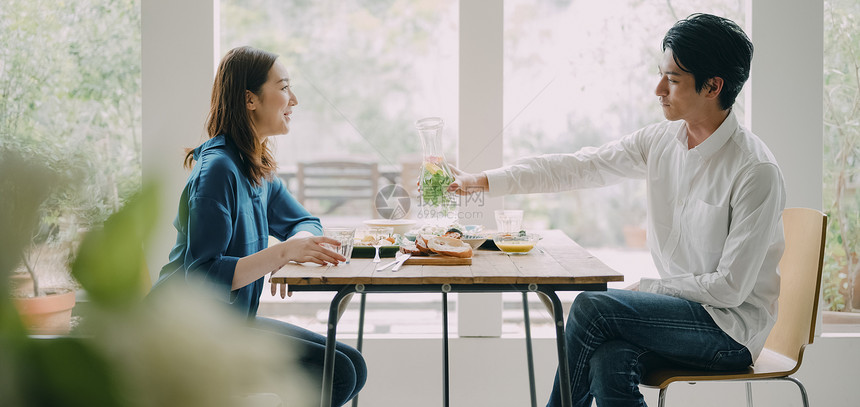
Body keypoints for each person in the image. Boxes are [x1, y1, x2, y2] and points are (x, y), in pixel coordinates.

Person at [448, 14, 785, 407]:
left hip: (730, 332)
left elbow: (730, 289)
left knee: (593, 306)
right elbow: (579, 166)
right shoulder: (660, 141)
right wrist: (483, 180)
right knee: (610, 362)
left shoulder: (755, 171)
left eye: (673, 80)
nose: (658, 89)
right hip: (675, 318)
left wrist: (650, 288)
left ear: (713, 86)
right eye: (661, 75)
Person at [152, 46, 366, 406]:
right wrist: (282, 252)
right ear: (250, 99)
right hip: (186, 335)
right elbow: (203, 275)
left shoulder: (254, 166)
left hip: (229, 325)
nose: (293, 99)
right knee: (337, 373)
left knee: (350, 365)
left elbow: (305, 221)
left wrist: (295, 246)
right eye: (283, 87)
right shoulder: (218, 170)